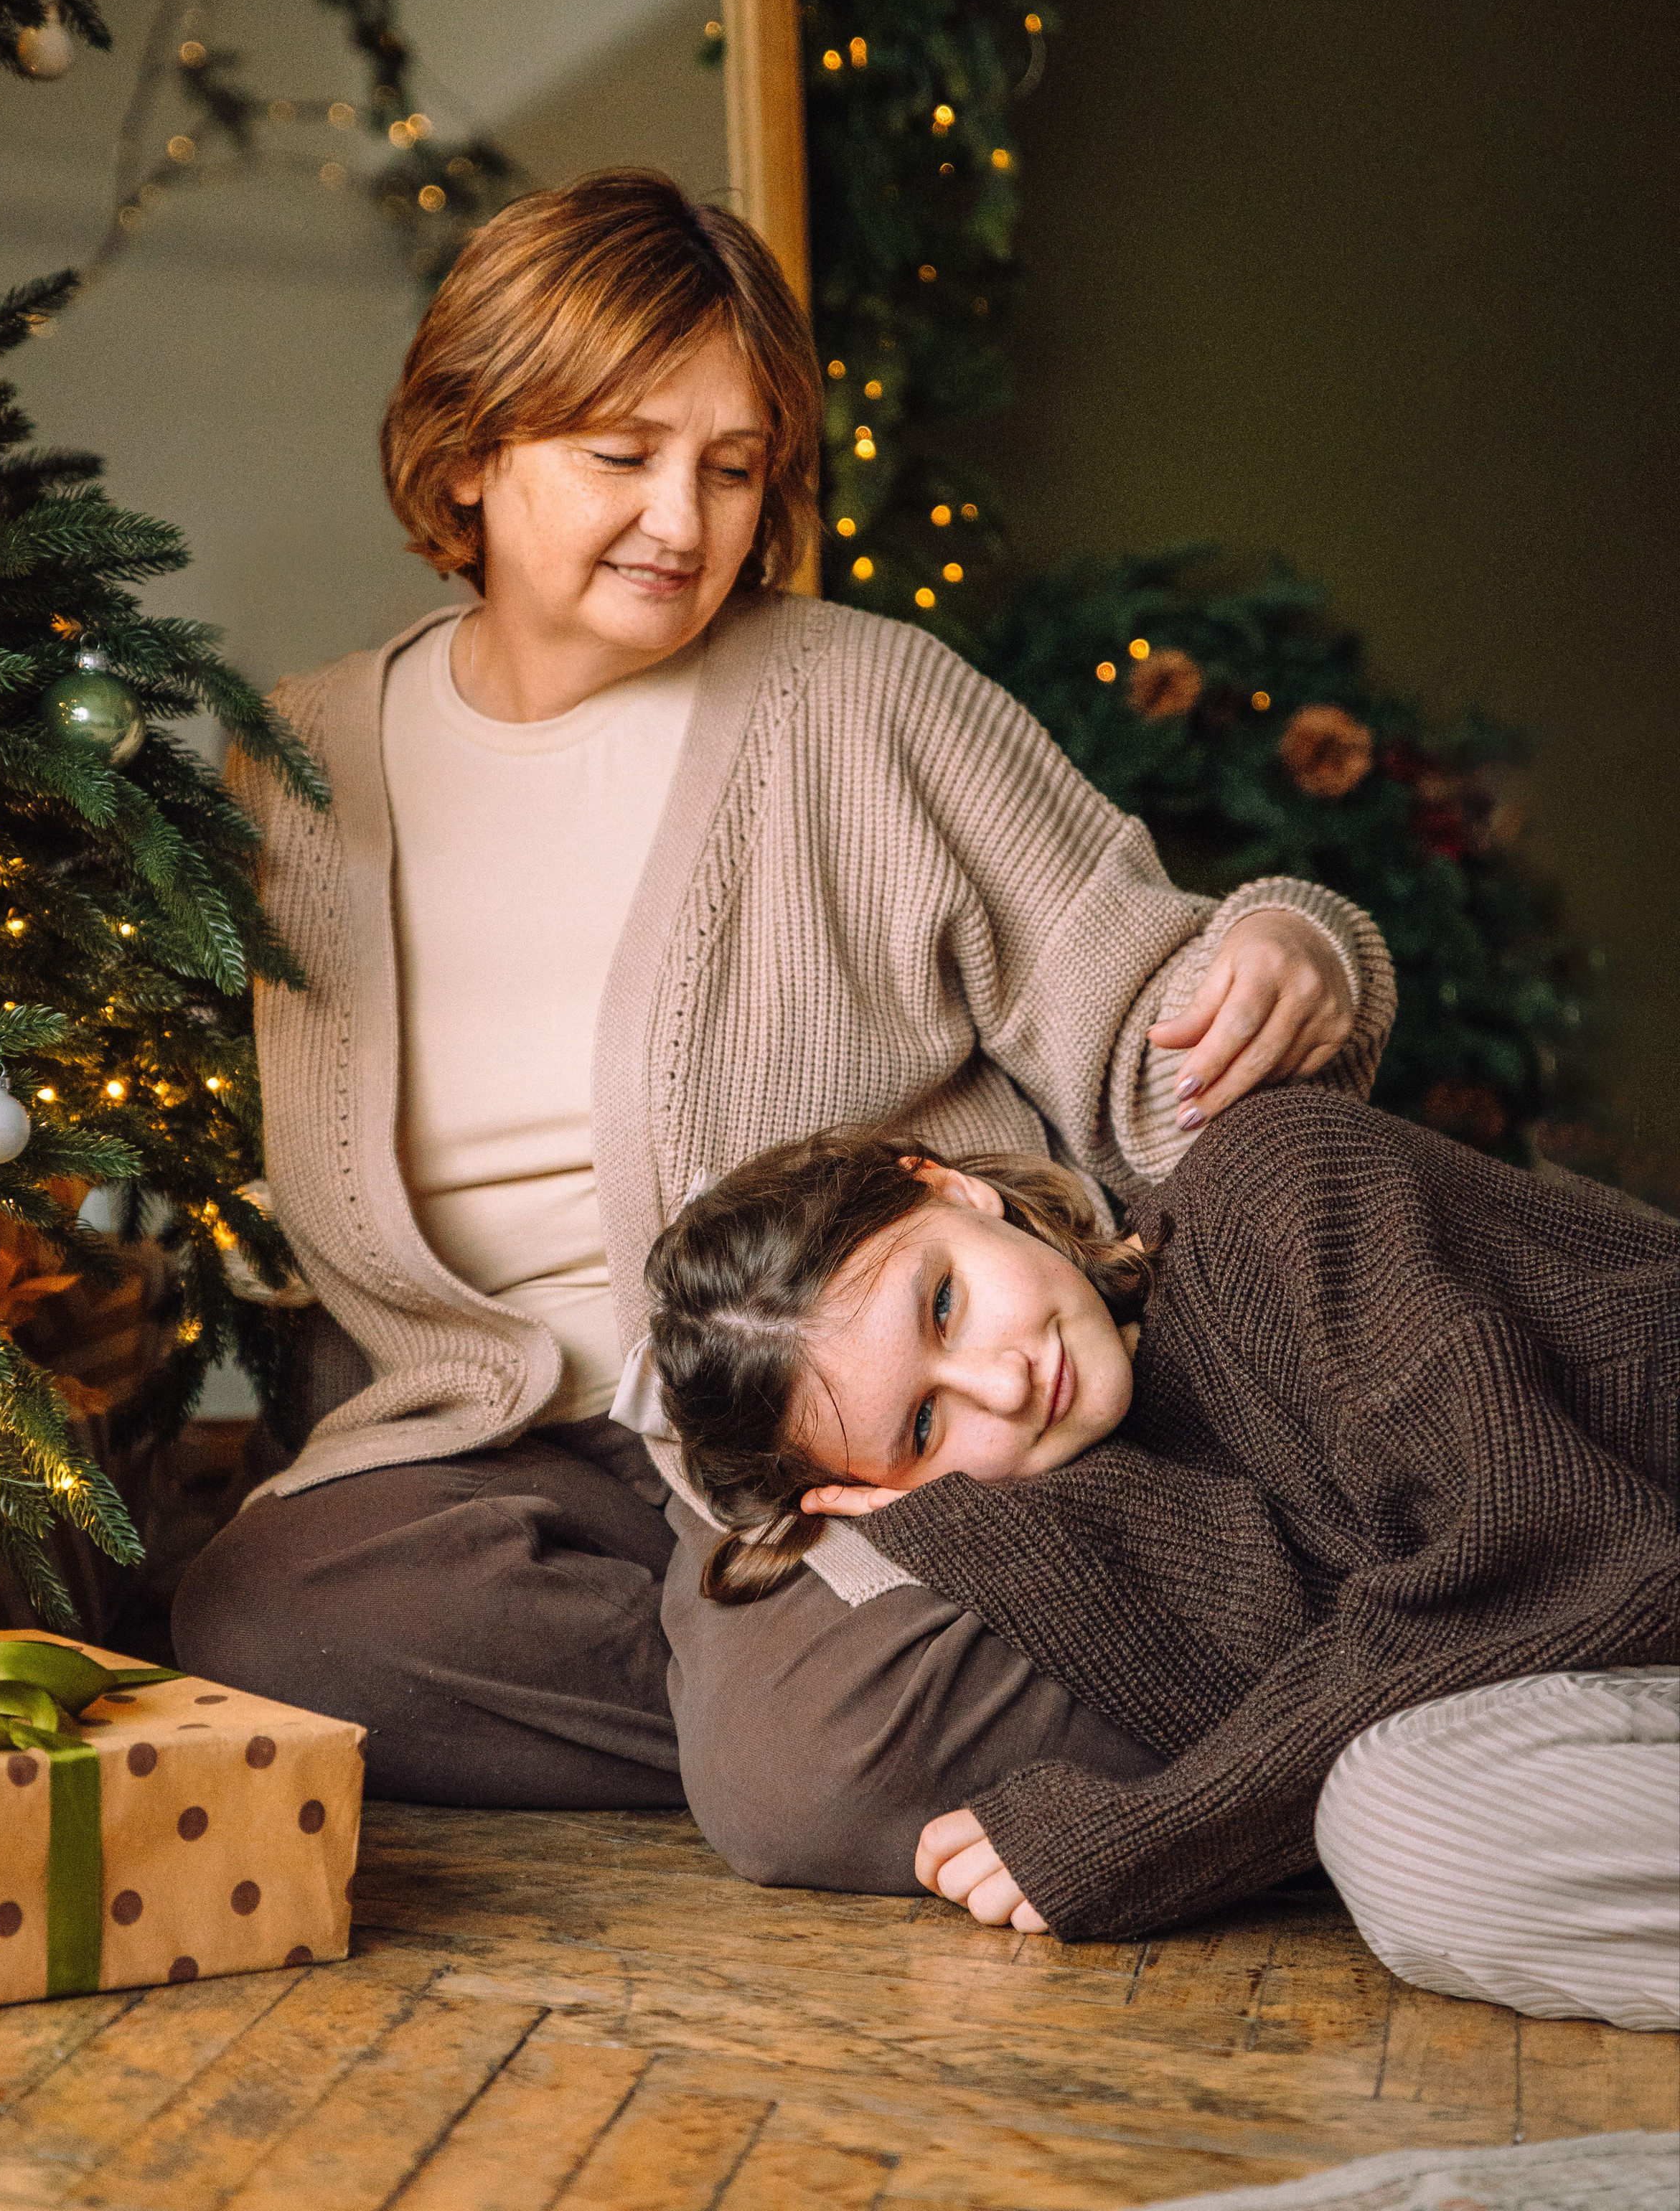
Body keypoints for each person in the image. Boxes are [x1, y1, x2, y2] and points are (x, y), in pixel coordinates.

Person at [174, 166, 1394, 1867]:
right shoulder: (294, 765)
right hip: (521, 1451)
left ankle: (1338, 1671)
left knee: (802, 1779)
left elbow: (1146, 1008)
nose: (681, 520)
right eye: (621, 454)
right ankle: (783, 1681)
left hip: (870, 1423)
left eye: (732, 467)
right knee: (265, 1619)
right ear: (465, 454)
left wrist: (1293, 948)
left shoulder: (854, 698)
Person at [637, 1092, 1680, 2030]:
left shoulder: (1278, 1183)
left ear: (952, 1190)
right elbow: (1329, 1669)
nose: (1004, 1385)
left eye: (944, 1303)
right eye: (922, 1424)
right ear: (865, 1495)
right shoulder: (1105, 1496)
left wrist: (1155, 1834)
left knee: (1398, 1819)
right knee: (1404, 1823)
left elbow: (1562, 1552)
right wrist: (957, 1516)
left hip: (1637, 1573)